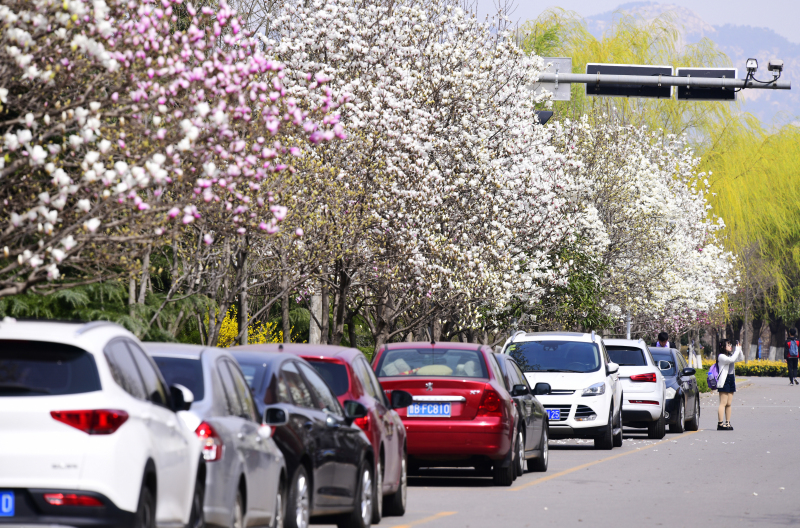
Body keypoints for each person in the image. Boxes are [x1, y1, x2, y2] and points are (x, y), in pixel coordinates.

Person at [716, 339, 744, 430]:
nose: (730, 346)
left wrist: (739, 350)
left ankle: (728, 422)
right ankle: (720, 423)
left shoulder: (730, 355)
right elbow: (731, 360)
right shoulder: (721, 356)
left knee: (729, 403)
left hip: (731, 379)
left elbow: (741, 358)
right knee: (723, 403)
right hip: (724, 380)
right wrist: (736, 350)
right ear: (723, 347)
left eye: (730, 344)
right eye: (728, 345)